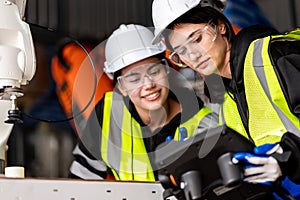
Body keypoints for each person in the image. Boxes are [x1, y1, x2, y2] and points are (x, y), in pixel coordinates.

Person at [151, 0, 300, 198]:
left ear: (220, 26)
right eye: (182, 52)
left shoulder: (277, 55)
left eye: (196, 39)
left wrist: (288, 158)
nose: (193, 56)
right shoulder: (223, 96)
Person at [68, 24, 217, 181]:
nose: (148, 85)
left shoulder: (205, 123)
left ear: (166, 69)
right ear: (121, 87)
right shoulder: (108, 115)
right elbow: (80, 182)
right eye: (134, 79)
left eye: (154, 72)